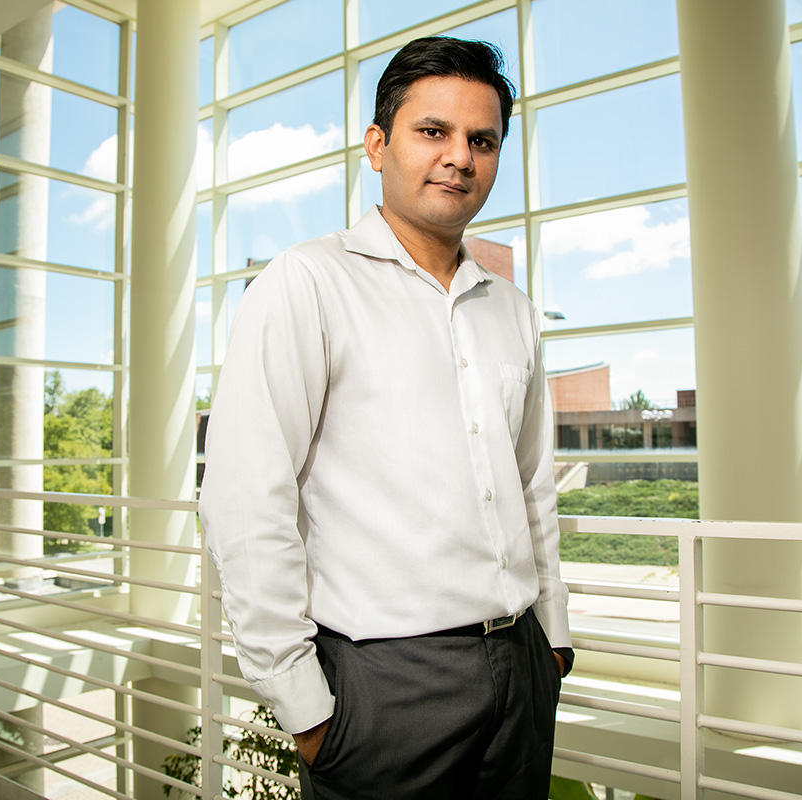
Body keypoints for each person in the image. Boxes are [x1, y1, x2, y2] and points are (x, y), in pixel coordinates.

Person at [199, 35, 572, 800]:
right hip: (384, 684)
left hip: (523, 668)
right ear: (377, 145)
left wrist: (554, 641)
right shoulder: (306, 283)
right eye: (432, 132)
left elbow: (533, 485)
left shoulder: (515, 312)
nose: (459, 157)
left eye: (483, 140)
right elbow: (245, 497)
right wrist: (303, 705)